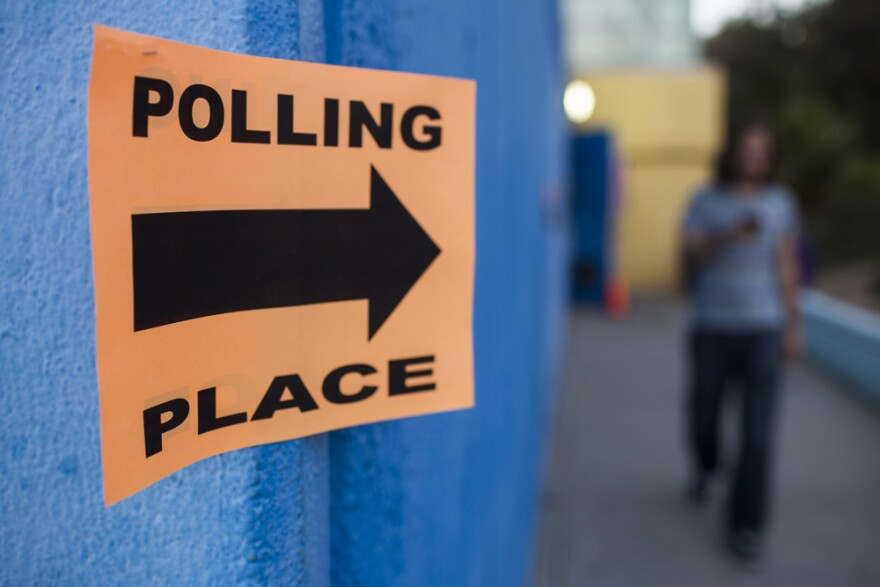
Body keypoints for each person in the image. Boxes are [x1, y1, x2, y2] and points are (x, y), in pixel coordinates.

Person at [680, 118, 801, 561]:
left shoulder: (781, 201)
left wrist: (793, 324)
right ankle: (706, 466)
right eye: (746, 148)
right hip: (712, 327)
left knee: (758, 434)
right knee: (703, 416)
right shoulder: (706, 199)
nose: (753, 157)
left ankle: (746, 525)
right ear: (732, 152)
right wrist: (728, 234)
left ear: (770, 157)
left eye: (761, 150)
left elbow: (786, 263)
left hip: (763, 329)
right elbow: (692, 253)